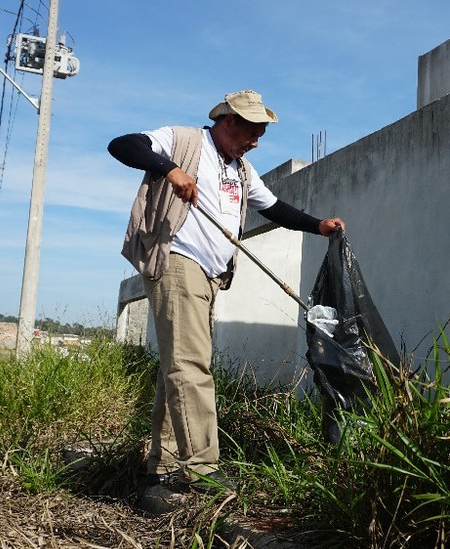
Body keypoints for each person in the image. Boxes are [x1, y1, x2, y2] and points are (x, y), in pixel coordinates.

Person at [107, 90, 344, 513]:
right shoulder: (183, 140)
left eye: (260, 136)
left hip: (212, 276)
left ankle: (159, 473)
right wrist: (172, 170)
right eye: (251, 133)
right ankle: (202, 466)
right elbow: (123, 145)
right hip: (178, 262)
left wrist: (317, 225)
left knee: (176, 368)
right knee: (191, 366)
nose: (255, 142)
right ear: (228, 121)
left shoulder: (241, 170)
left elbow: (274, 209)